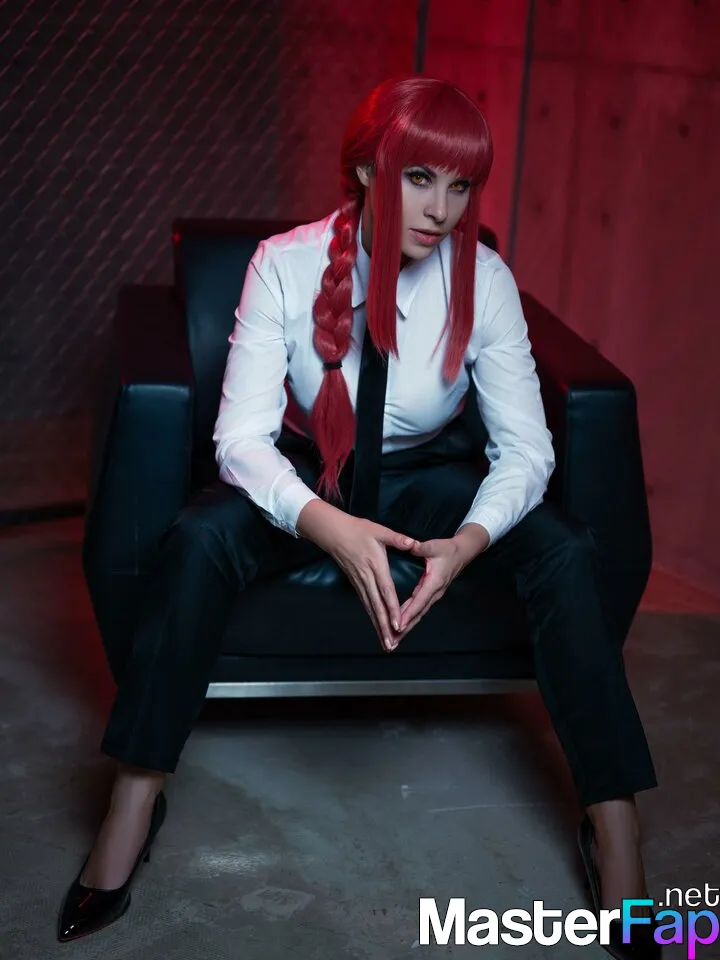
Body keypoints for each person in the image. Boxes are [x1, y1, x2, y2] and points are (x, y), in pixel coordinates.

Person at [57, 75, 661, 958]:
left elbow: (527, 452)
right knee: (197, 541)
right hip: (310, 471)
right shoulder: (285, 264)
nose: (442, 209)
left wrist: (468, 543)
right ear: (369, 172)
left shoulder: (484, 279)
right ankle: (133, 802)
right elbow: (240, 440)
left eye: (460, 186)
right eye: (420, 178)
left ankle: (614, 829)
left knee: (562, 550)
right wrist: (326, 526)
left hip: (427, 477)